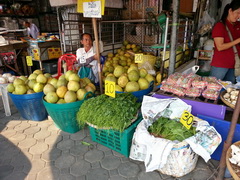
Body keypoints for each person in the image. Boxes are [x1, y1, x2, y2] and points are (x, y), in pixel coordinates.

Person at [210, 0, 240, 83]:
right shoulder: (220, 26)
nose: (238, 16)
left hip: (234, 65)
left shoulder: (238, 25)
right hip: (220, 65)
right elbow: (220, 47)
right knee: (214, 88)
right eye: (237, 13)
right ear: (230, 11)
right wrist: (238, 40)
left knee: (229, 90)